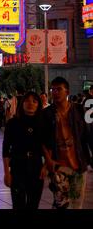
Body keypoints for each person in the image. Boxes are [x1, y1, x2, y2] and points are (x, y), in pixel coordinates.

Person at [41, 76, 90, 209]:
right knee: (61, 203)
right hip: (59, 167)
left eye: (59, 89)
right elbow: (42, 140)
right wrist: (48, 161)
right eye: (53, 89)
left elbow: (87, 136)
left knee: (76, 204)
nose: (55, 92)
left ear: (67, 92)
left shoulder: (79, 110)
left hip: (78, 164)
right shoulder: (47, 114)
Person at [3, 92, 46, 209]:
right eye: (27, 100)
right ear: (22, 104)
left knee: (33, 204)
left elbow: (49, 146)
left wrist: (45, 166)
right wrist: (7, 173)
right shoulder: (13, 123)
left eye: (34, 101)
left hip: (36, 167)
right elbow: (5, 150)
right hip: (18, 167)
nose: (30, 104)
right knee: (18, 204)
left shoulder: (43, 124)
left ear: (38, 105)